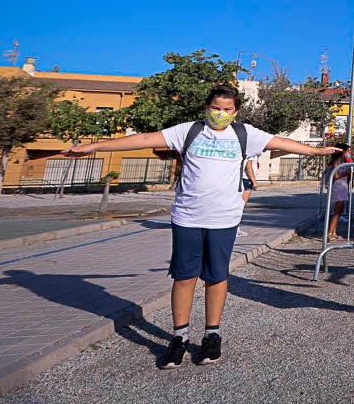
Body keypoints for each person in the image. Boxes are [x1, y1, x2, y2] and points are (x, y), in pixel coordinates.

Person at [63, 84, 339, 368]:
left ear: (236, 111)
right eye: (215, 108)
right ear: (206, 107)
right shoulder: (189, 131)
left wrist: (317, 152)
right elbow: (144, 139)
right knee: (184, 277)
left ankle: (211, 336)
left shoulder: (244, 134)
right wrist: (94, 146)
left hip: (224, 219)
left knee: (216, 277)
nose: (221, 114)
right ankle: (179, 338)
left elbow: (281, 142)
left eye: (227, 110)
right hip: (187, 217)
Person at [325, 145, 352, 243]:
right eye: (347, 151)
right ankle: (329, 233)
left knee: (340, 211)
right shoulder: (337, 162)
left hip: (343, 186)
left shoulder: (343, 162)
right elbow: (336, 175)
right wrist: (346, 173)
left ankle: (334, 232)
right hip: (338, 187)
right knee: (337, 212)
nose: (349, 153)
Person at [236, 158, 257, 237]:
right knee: (241, 206)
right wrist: (254, 181)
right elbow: (248, 167)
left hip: (245, 179)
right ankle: (236, 228)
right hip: (247, 180)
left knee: (240, 205)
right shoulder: (251, 153)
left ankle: (236, 228)